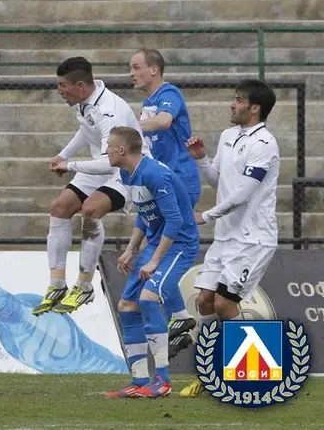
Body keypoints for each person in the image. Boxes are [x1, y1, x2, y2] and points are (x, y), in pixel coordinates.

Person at [178, 79, 279, 398]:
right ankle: (208, 373)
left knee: (225, 302)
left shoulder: (264, 143)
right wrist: (201, 160)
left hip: (253, 238)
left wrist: (206, 216)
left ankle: (254, 374)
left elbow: (245, 193)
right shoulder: (228, 136)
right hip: (226, 236)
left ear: (255, 108)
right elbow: (220, 182)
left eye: (238, 100)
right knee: (204, 300)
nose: (232, 104)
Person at [37, 56, 146, 316]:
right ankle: (57, 284)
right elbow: (86, 131)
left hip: (126, 170)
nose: (59, 91)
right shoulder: (85, 101)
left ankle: (84, 285)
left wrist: (70, 165)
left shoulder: (110, 111)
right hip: (102, 163)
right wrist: (63, 155)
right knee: (60, 208)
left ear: (80, 86)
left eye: (63, 85)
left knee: (90, 209)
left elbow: (110, 163)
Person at [103, 127, 199, 398]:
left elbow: (175, 220)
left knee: (147, 299)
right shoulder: (128, 173)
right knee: (127, 306)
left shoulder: (155, 174)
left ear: (122, 150)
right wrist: (131, 250)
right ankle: (139, 380)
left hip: (179, 243)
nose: (106, 150)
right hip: (157, 242)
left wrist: (154, 260)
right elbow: (144, 213)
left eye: (109, 145)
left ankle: (163, 381)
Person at [129, 49, 201, 353]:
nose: (131, 73)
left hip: (181, 178)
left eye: (136, 67)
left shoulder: (168, 94)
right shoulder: (147, 103)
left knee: (169, 244)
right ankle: (181, 317)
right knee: (155, 245)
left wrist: (130, 127)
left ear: (154, 70)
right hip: (163, 179)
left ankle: (180, 316)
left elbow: (164, 121)